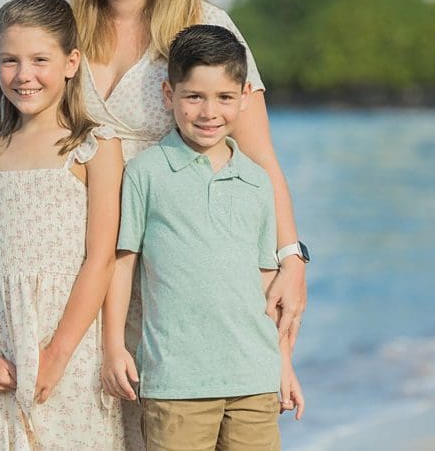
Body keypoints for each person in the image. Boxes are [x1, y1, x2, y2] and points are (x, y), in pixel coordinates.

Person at [0, 0, 311, 445]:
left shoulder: (204, 28)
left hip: (187, 281)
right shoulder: (65, 31)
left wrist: (292, 256)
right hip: (92, 288)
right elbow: (28, 131)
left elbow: (261, 158)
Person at [102, 25, 304, 449]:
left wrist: (283, 363)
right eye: (194, 96)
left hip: (254, 382)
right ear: (168, 95)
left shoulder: (256, 181)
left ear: (244, 97)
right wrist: (114, 347)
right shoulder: (144, 175)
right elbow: (122, 266)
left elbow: (269, 285)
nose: (209, 112)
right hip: (176, 386)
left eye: (225, 98)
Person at [0, 0, 125, 448]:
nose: (23, 75)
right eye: (10, 60)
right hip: (1, 356)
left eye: (39, 60)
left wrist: (57, 354)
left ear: (71, 62)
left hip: (72, 351)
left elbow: (101, 258)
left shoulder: (95, 148)